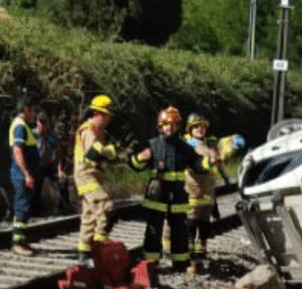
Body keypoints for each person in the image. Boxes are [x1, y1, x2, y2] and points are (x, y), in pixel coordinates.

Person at [130, 106, 207, 274]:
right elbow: (135, 166)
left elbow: (199, 166)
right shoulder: (152, 144)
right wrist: (140, 159)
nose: (169, 127)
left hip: (178, 195)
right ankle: (150, 263)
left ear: (178, 126)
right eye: (165, 124)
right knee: (153, 229)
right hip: (157, 195)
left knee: (179, 230)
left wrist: (210, 162)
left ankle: (180, 264)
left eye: (172, 124)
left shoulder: (185, 148)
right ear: (160, 126)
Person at [73, 94, 145, 267]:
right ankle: (98, 250)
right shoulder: (88, 130)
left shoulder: (98, 132)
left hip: (94, 175)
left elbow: (105, 157)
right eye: (108, 115)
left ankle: (84, 254)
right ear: (98, 113)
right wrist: (114, 150)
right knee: (107, 209)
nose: (110, 119)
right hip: (86, 176)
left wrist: (123, 154)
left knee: (90, 216)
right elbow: (94, 152)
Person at [183, 113, 229, 273]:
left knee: (204, 226)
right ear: (190, 129)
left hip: (207, 194)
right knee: (191, 225)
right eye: (196, 127)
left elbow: (219, 159)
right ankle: (188, 258)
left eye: (202, 126)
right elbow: (195, 165)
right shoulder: (188, 146)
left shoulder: (208, 146)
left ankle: (201, 254)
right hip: (192, 192)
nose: (200, 129)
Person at [8, 96, 41, 256]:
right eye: (32, 110)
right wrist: (27, 173)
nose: (34, 113)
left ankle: (21, 240)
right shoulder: (20, 126)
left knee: (25, 207)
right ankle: (17, 243)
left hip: (23, 174)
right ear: (25, 109)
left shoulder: (24, 126)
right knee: (21, 207)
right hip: (21, 175)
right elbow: (17, 150)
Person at [33, 110, 75, 216]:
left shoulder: (52, 135)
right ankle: (36, 210)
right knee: (35, 187)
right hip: (36, 166)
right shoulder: (33, 135)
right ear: (37, 123)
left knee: (62, 180)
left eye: (45, 122)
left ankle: (64, 207)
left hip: (49, 165)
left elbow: (59, 153)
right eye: (40, 122)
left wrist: (60, 169)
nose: (43, 125)